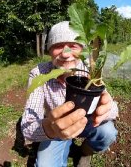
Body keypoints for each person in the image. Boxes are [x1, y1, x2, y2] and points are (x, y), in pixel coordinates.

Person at [21, 21, 118, 167]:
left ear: (82, 48)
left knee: (108, 132)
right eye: (58, 46)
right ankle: (64, 146)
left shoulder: (90, 71)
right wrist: (51, 128)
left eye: (73, 46)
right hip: (55, 130)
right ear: (49, 50)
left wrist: (105, 109)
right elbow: (28, 128)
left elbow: (113, 109)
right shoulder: (39, 74)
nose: (66, 54)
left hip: (87, 123)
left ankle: (83, 153)